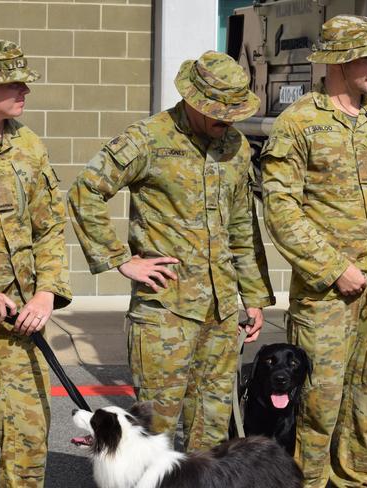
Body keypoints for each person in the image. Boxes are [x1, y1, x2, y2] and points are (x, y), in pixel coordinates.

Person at [67, 51, 275, 451]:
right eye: (219, 110)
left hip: (221, 313)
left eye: (234, 111)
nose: (227, 119)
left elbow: (241, 225)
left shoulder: (235, 145)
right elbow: (86, 191)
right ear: (193, 100)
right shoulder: (148, 139)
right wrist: (122, 259)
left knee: (213, 432)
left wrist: (253, 297)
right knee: (155, 432)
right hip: (166, 312)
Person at [261, 15, 367, 487]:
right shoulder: (299, 124)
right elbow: (281, 210)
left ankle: (357, 479)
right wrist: (335, 268)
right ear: (339, 62)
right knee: (318, 401)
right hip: (327, 298)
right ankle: (306, 482)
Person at [0, 38, 72, 488]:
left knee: (29, 430)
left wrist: (47, 292)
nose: (25, 90)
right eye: (14, 82)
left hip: (22, 313)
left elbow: (49, 228)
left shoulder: (29, 144)